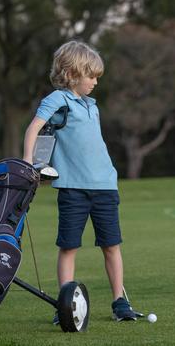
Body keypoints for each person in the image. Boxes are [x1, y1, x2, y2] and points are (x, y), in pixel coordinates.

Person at [22, 40, 140, 322]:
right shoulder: (57, 99)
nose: (96, 82)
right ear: (73, 74)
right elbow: (34, 127)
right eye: (92, 76)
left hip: (104, 186)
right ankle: (64, 305)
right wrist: (29, 162)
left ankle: (119, 302)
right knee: (69, 246)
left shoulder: (92, 105)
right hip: (73, 188)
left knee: (112, 244)